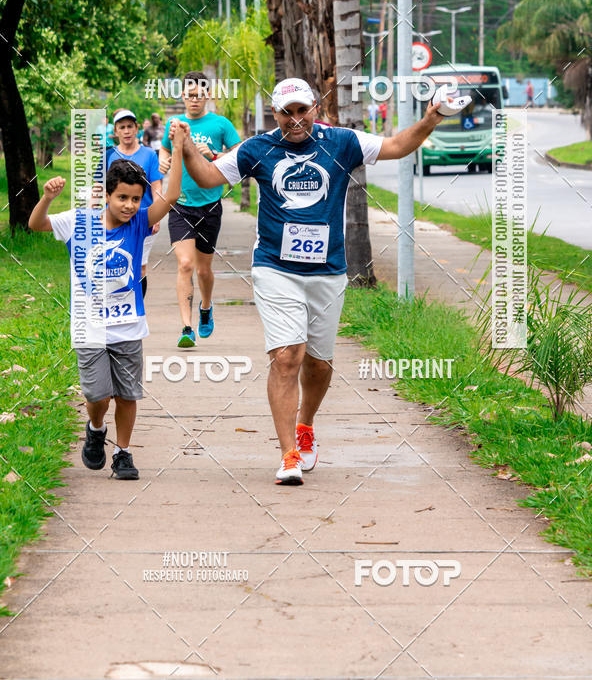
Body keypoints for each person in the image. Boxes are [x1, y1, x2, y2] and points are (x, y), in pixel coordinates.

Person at [170, 77, 445, 485]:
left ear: (315, 108)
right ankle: (288, 455)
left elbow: (396, 146)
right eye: (287, 112)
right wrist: (187, 147)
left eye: (302, 110)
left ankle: (306, 424)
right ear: (275, 113)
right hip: (274, 268)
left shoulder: (342, 142)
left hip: (327, 271)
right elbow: (210, 177)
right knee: (287, 357)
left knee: (318, 362)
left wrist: (432, 118)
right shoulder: (258, 149)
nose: (295, 120)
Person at [27, 128, 185, 479]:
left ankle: (124, 453)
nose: (130, 205)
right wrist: (47, 198)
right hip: (90, 325)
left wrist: (177, 149)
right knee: (98, 395)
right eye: (123, 198)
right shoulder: (80, 222)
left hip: (128, 323)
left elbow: (171, 195)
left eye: (135, 199)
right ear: (108, 195)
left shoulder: (140, 222)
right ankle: (96, 428)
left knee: (128, 394)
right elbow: (36, 224)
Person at [159, 71, 240, 347]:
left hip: (210, 205)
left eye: (199, 95)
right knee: (184, 264)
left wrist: (215, 155)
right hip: (180, 204)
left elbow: (240, 154)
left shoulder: (220, 124)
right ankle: (186, 327)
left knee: (204, 270)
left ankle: (206, 307)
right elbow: (164, 149)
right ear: (182, 96)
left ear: (207, 96)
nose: (194, 99)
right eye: (189, 95)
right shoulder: (175, 124)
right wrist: (164, 161)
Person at [103, 109, 163, 297]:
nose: (127, 131)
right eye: (122, 127)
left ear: (137, 129)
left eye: (130, 126)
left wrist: (157, 216)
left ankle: (137, 307)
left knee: (140, 268)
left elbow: (157, 186)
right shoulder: (107, 155)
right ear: (116, 131)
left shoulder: (149, 155)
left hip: (142, 219)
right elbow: (99, 189)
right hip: (113, 221)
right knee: (115, 266)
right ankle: (117, 306)